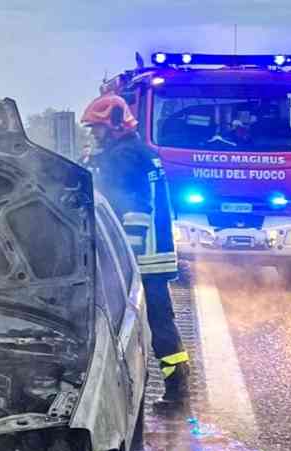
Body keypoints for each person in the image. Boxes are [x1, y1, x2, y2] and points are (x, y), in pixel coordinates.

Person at [81, 94, 190, 408]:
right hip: (156, 253)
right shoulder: (139, 152)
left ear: (115, 123)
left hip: (141, 256)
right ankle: (177, 385)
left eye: (97, 128)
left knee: (133, 320)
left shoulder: (124, 156)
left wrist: (122, 257)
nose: (93, 134)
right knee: (160, 318)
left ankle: (154, 390)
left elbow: (135, 208)